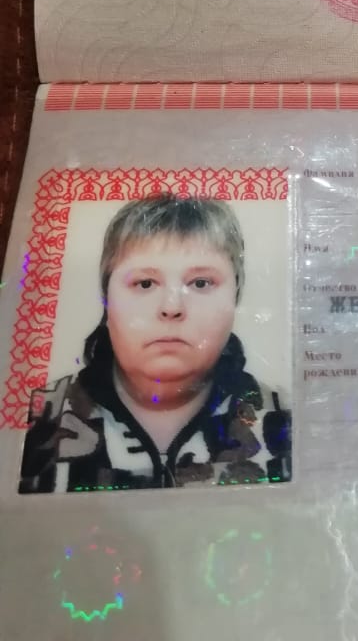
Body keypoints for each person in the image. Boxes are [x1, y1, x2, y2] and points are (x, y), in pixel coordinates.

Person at [19, 194, 291, 493]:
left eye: (201, 283)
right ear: (107, 299)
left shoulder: (289, 422)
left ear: (235, 296)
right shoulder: (33, 421)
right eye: (145, 283)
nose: (171, 307)